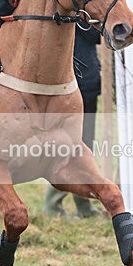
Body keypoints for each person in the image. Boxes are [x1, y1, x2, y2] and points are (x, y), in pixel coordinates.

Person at [44, 23, 102, 218]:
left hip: (86, 85)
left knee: (84, 148)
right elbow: (96, 36)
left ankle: (83, 203)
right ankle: (53, 205)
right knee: (68, 149)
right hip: (75, 88)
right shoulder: (76, 18)